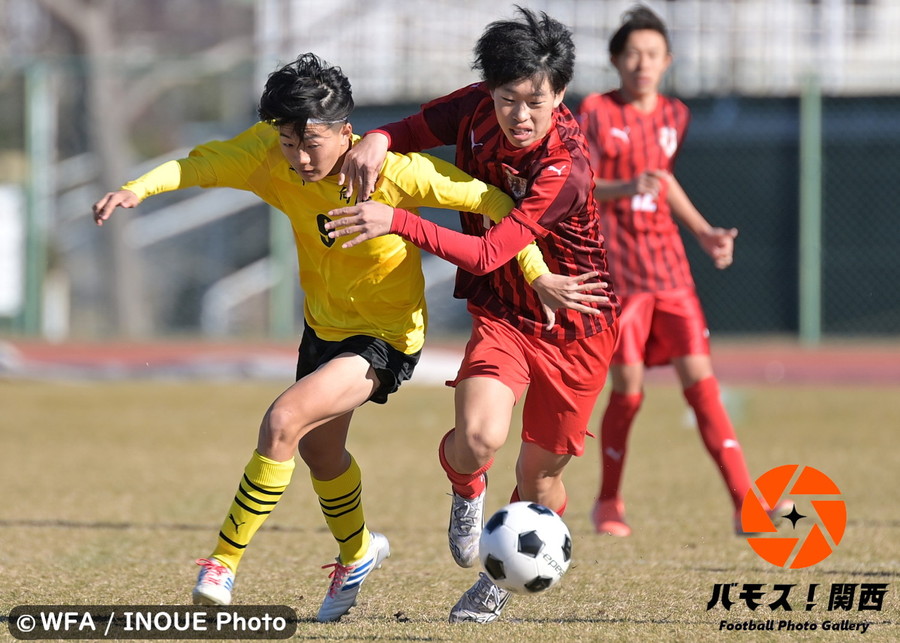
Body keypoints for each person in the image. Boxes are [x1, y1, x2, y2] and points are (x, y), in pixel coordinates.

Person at [91, 53, 587, 623]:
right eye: (288, 143)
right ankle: (358, 553)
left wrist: (536, 273)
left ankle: (221, 564)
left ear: (345, 131)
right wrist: (137, 189)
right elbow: (197, 166)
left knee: (282, 421)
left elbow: (494, 202)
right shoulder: (266, 153)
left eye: (312, 143)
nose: (299, 158)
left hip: (385, 337)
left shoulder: (394, 173)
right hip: (323, 327)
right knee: (318, 452)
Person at [330, 7, 619, 623]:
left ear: (560, 93)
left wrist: (397, 220)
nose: (520, 115)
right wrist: (378, 138)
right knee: (478, 440)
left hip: (577, 328)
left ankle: (499, 579)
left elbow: (489, 252)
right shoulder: (474, 107)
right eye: (508, 99)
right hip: (507, 311)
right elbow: (412, 127)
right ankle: (467, 489)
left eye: (535, 102)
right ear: (490, 91)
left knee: (539, 483)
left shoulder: (565, 167)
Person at [576, 5, 789, 538]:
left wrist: (704, 232)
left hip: (670, 270)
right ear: (615, 60)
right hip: (619, 273)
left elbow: (664, 181)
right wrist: (626, 187)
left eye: (652, 54)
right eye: (632, 54)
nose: (642, 63)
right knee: (628, 390)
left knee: (703, 384)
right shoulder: (596, 111)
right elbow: (580, 185)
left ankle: (745, 505)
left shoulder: (675, 114)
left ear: (667, 60)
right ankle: (608, 502)